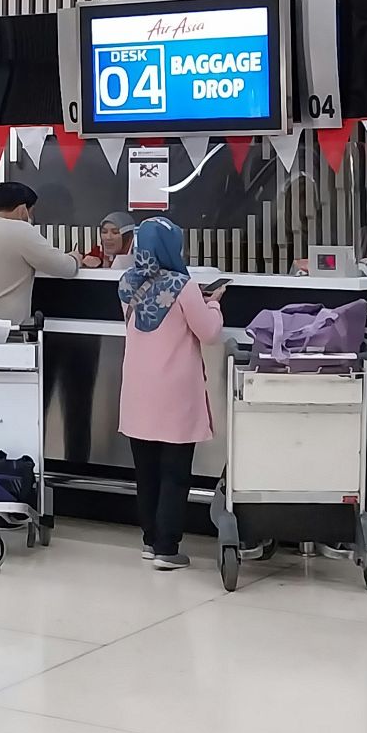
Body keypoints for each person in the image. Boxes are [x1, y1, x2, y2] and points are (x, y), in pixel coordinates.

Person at [116, 216, 223, 570]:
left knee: (145, 471)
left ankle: (149, 540)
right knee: (175, 473)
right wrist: (214, 303)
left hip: (137, 390)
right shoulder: (184, 286)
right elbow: (208, 333)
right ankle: (167, 547)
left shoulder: (126, 283)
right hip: (175, 392)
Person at [0, 181, 80, 322]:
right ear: (22, 210)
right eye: (31, 212)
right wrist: (75, 257)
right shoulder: (20, 231)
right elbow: (64, 267)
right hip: (3, 332)